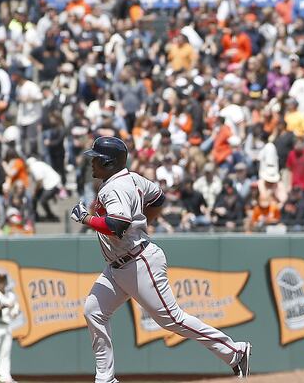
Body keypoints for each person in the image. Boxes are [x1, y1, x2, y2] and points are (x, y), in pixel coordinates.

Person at [69, 137, 252, 381]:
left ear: (108, 162)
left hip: (137, 262)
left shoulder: (114, 188)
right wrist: (143, 223)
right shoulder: (131, 178)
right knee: (94, 311)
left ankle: (235, 352)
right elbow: (157, 198)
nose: (91, 163)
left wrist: (86, 219)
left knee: (172, 319)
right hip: (119, 266)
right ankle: (105, 378)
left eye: (96, 159)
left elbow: (118, 224)